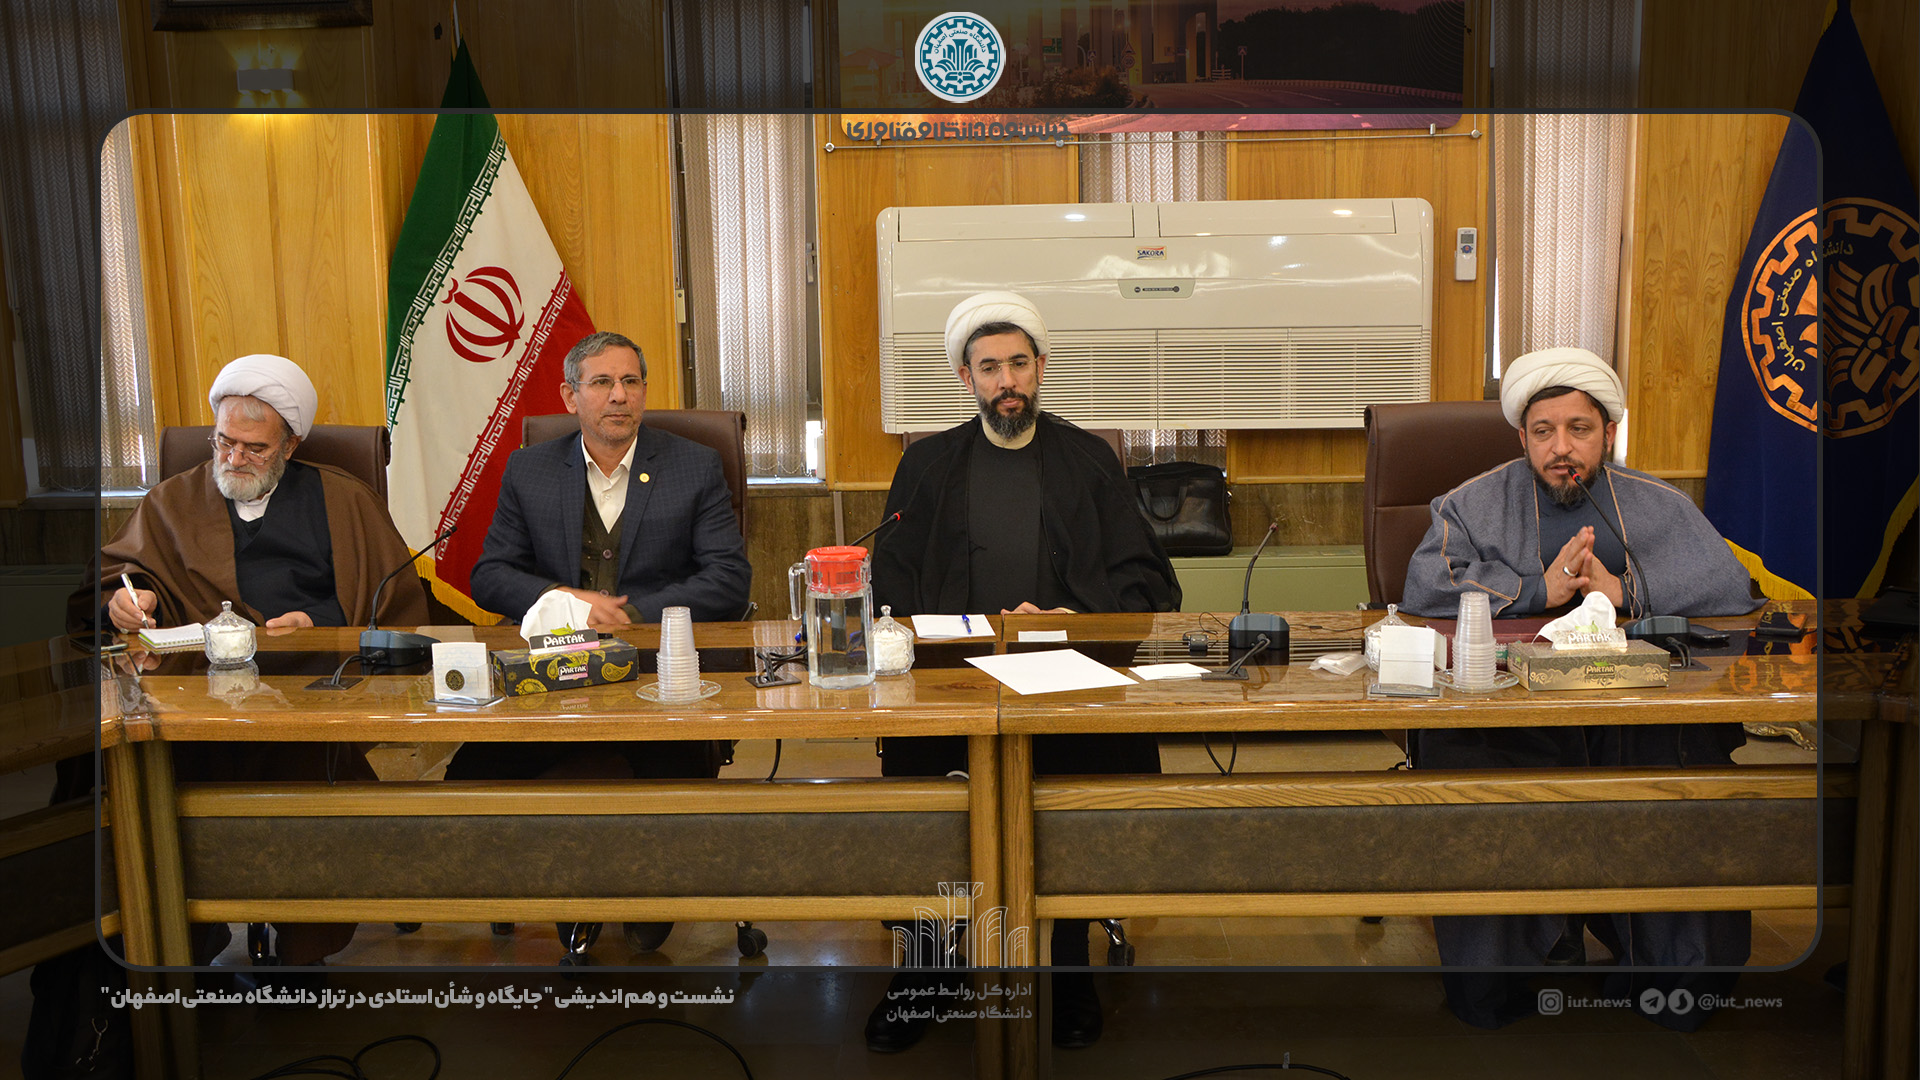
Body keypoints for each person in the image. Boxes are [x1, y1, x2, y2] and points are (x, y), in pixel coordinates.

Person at [1400, 346, 1763, 1030]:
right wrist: (1538, 589)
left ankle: (1669, 969)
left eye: (1579, 429)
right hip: (1509, 712)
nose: (1561, 448)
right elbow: (1425, 585)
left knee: (1678, 764)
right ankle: (1503, 974)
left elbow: (1731, 592)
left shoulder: (1659, 504)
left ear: (1609, 432)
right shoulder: (1470, 504)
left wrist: (1623, 591)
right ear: (1522, 437)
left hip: (1635, 708)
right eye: (1544, 431)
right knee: (1474, 766)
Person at [865, 291, 1181, 1053]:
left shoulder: (1089, 458)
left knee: (1068, 812)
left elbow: (1146, 581)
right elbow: (891, 579)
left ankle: (1069, 972)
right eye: (989, 368)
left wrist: (1071, 616)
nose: (1006, 381)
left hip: (1068, 675)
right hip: (952, 679)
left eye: (1017, 364)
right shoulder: (926, 465)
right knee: (927, 817)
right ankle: (927, 973)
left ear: (1040, 367)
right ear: (965, 378)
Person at [76, 352, 431, 967]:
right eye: (224, 442)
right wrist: (130, 601)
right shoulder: (172, 500)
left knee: (296, 777)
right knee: (135, 775)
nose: (234, 458)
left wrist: (321, 625)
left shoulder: (344, 500)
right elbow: (115, 577)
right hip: (194, 692)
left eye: (254, 448)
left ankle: (304, 945)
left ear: (290, 445)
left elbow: (394, 605)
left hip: (306, 692)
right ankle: (178, 936)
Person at [453, 330, 751, 956]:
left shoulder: (694, 465)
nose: (619, 396)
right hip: (548, 680)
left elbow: (727, 579)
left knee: (670, 779)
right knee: (469, 779)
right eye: (602, 383)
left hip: (656, 678)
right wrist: (566, 599)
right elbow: (490, 575)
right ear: (570, 397)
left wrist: (630, 614)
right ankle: (526, 886)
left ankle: (650, 895)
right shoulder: (530, 469)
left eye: (631, 381)